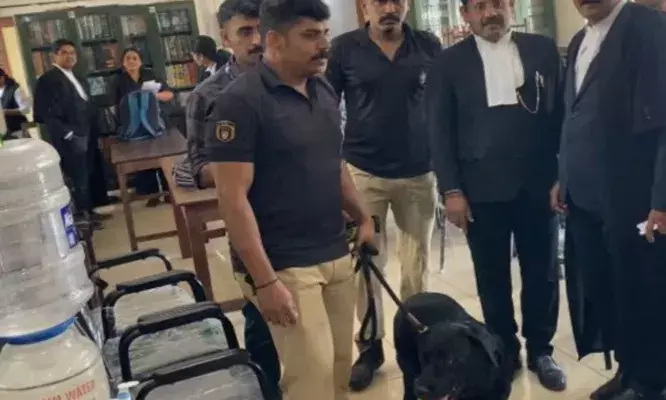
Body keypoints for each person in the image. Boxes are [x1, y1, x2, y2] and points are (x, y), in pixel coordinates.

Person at [205, 0, 375, 398]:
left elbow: (334, 165)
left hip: (335, 251)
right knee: (310, 378)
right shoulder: (239, 102)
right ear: (275, 42)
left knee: (339, 366)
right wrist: (265, 281)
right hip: (285, 264)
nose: (323, 45)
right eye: (310, 36)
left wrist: (363, 217)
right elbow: (232, 199)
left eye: (325, 34)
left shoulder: (323, 89)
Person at [426, 0, 566, 392]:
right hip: (480, 190)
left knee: (542, 273)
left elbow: (561, 116)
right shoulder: (448, 63)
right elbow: (439, 131)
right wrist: (452, 189)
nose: (491, 13)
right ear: (465, 14)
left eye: (498, 3)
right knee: (492, 277)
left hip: (538, 184)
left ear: (511, 7)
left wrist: (562, 174)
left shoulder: (541, 50)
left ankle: (541, 349)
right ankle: (503, 349)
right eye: (481, 6)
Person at [326, 0, 440, 390]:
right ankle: (370, 348)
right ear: (365, 6)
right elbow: (325, 107)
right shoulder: (344, 49)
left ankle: (416, 340)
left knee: (415, 266)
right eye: (380, 1)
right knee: (366, 265)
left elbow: (443, 104)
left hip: (419, 172)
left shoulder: (428, 45)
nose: (389, 8)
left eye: (397, 1)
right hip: (365, 172)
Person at [554, 1, 666, 399]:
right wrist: (563, 176)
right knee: (609, 290)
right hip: (585, 197)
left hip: (634, 197)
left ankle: (650, 383)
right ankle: (628, 369)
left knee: (642, 292)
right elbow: (572, 115)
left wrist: (662, 198)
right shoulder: (579, 40)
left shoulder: (648, 28)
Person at [172, 0, 281, 389]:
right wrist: (245, 165)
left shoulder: (293, 81)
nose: (256, 41)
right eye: (244, 32)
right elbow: (198, 169)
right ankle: (266, 390)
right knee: (262, 315)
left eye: (261, 30)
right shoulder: (208, 96)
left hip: (306, 220)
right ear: (225, 38)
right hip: (251, 220)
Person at [34, 39, 109, 225]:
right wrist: (68, 135)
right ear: (55, 55)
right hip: (69, 137)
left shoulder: (77, 76)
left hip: (86, 132)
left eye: (72, 52)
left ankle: (89, 211)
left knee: (87, 173)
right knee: (77, 177)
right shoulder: (48, 80)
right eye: (65, 52)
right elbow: (46, 114)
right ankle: (82, 218)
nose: (70, 56)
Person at [107, 47, 175, 207]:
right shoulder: (117, 81)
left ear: (140, 61)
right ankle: (152, 194)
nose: (131, 61)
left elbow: (169, 94)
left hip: (155, 123)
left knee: (162, 158)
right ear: (123, 63)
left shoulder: (150, 75)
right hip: (133, 127)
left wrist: (152, 95)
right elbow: (112, 105)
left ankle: (169, 192)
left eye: (135, 58)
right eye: (128, 58)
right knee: (144, 160)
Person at [0, 68, 31, 139]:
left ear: (2, 77)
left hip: (18, 130)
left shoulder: (16, 90)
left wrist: (6, 112)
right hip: (4, 133)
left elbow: (26, 110)